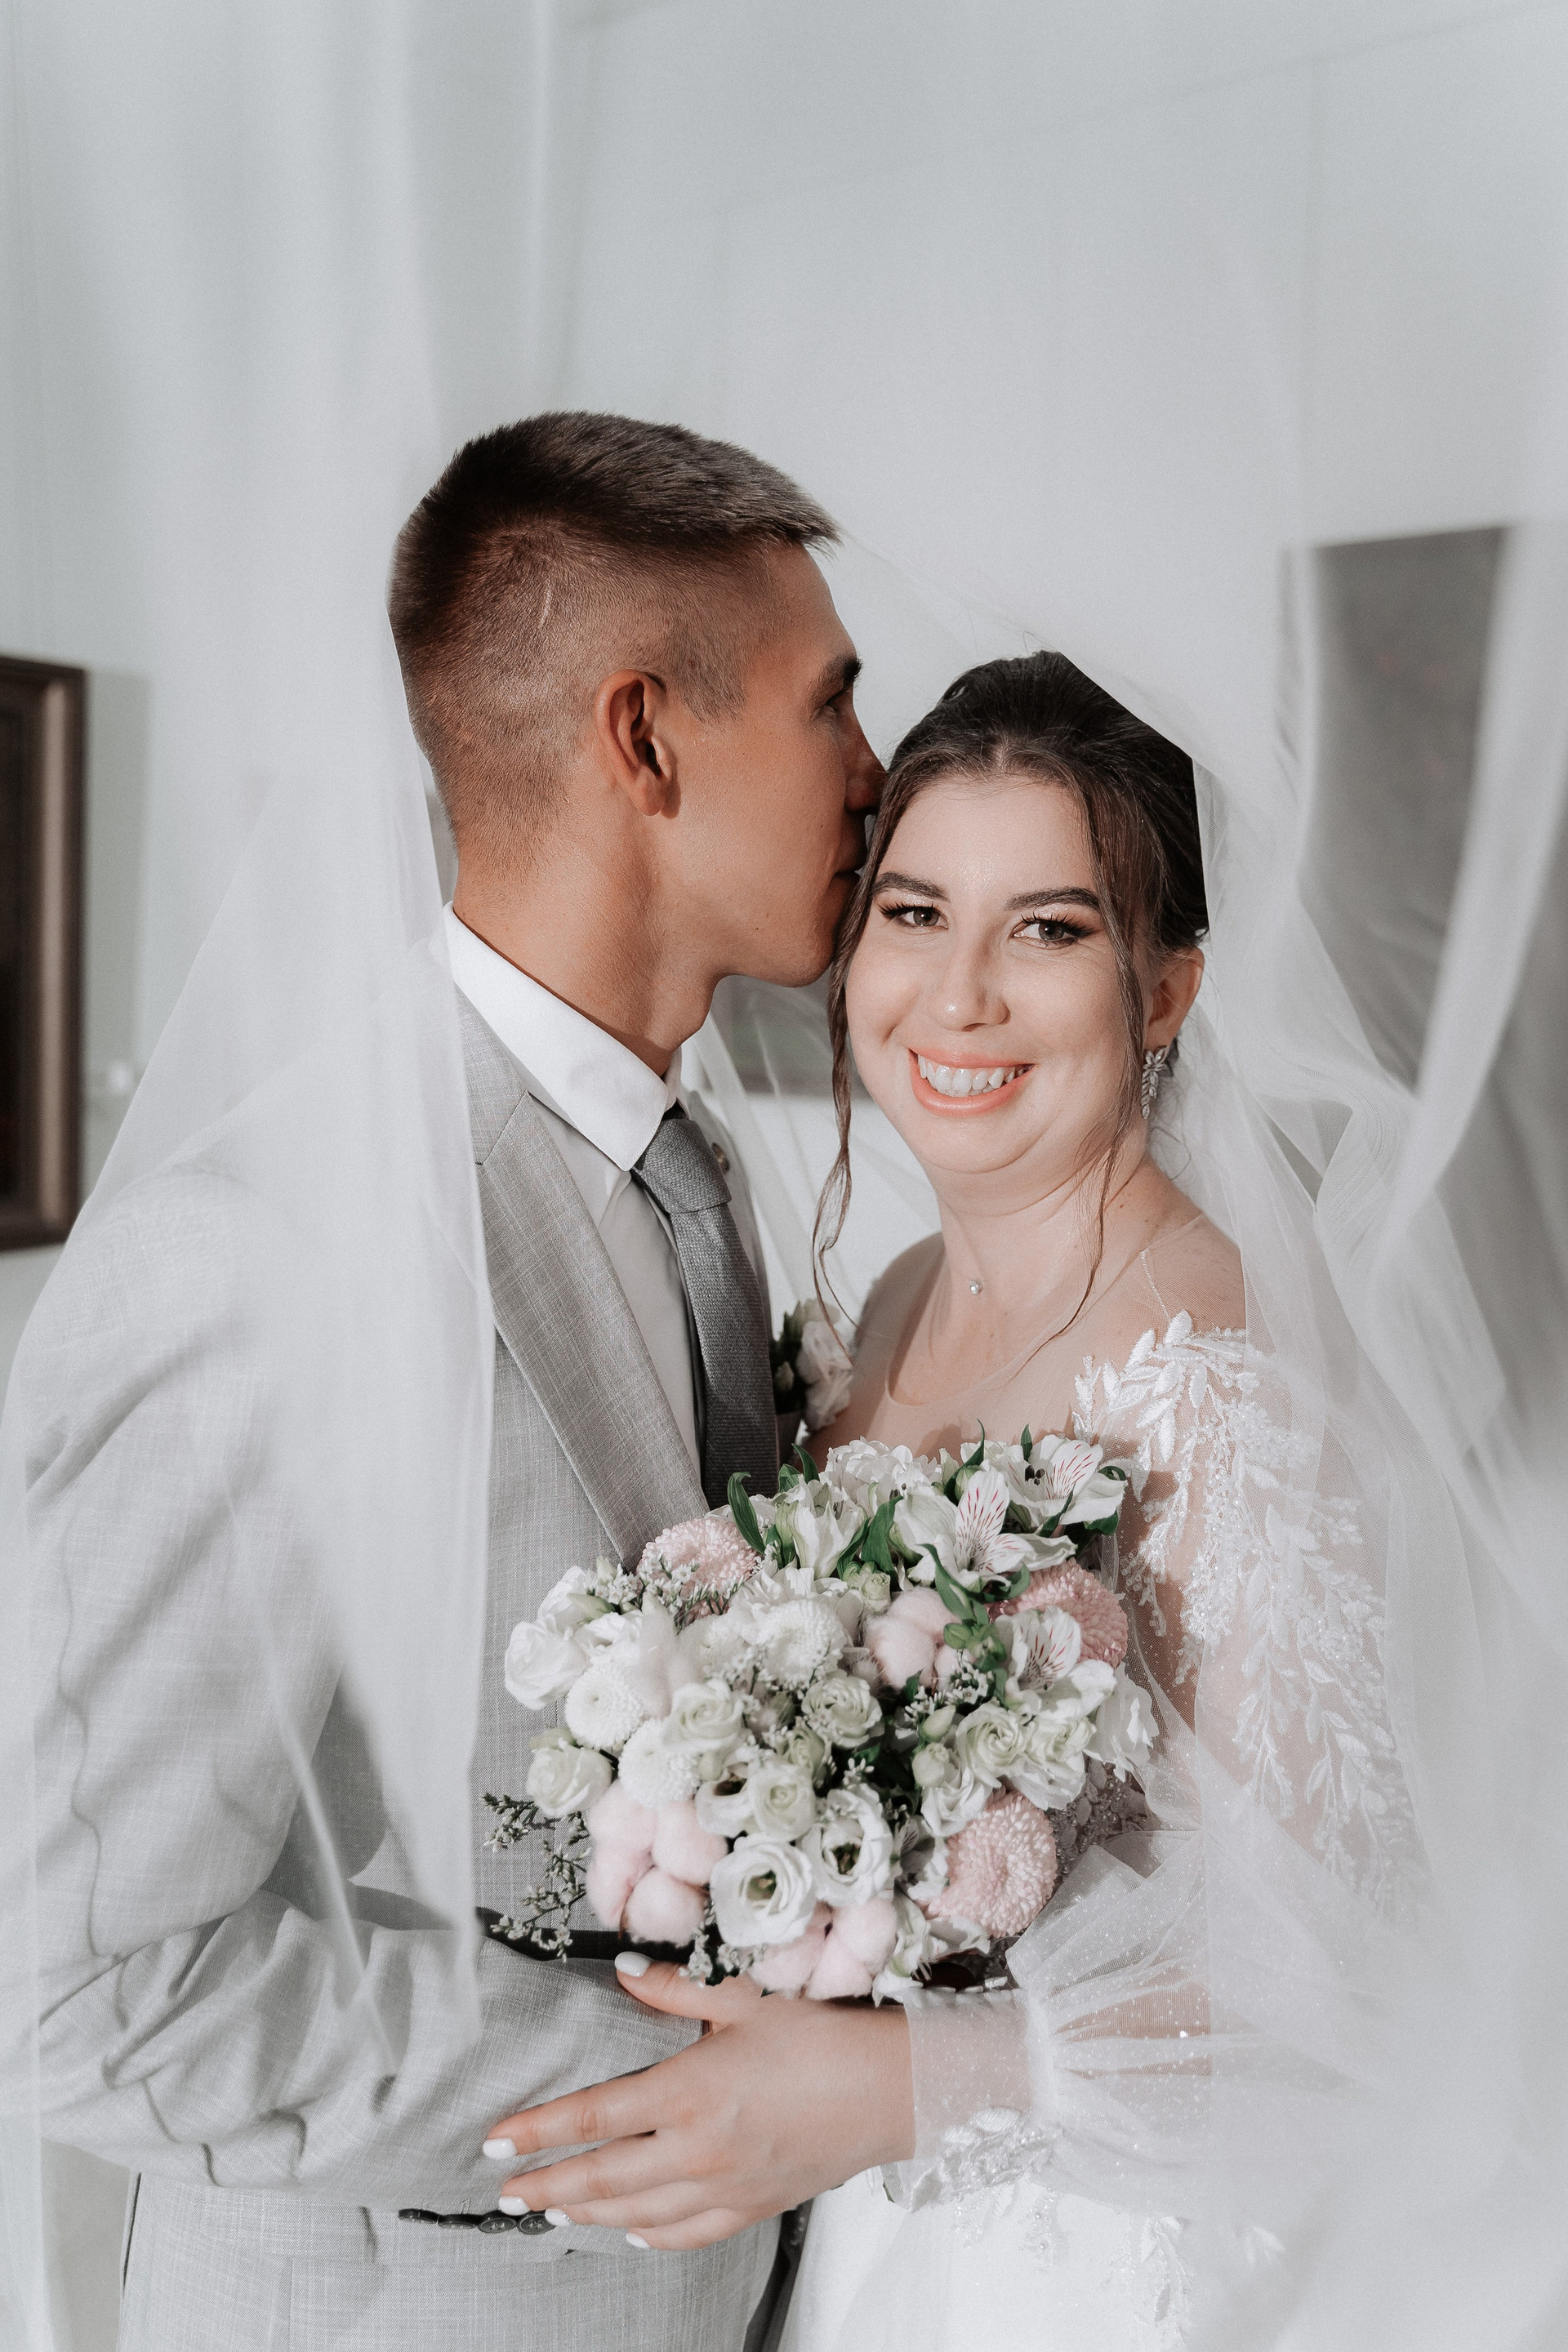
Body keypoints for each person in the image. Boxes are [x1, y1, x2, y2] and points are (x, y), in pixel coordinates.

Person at [19, 412, 882, 2352]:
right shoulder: (258, 1251)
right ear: (644, 739)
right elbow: (70, 1989)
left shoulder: (700, 1174)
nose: (873, 769)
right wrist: (688, 2079)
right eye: (832, 701)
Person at [489, 655, 1411, 2348]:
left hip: (1096, 2263)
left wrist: (908, 2082)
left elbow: (1343, 1997)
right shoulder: (900, 1296)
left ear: (1167, 990)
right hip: (861, 2231)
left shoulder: (1215, 1377)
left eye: (1048, 930)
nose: (959, 996)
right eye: (915, 913)